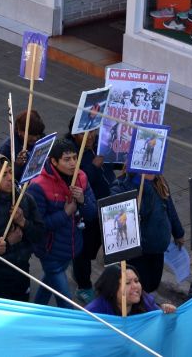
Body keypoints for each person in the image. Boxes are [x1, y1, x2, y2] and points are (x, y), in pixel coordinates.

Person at [28, 138, 97, 308]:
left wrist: (82, 200)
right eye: (67, 160)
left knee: (49, 284)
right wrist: (65, 213)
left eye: (75, 157)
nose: (73, 163)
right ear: (54, 161)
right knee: (67, 304)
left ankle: (36, 312)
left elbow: (92, 213)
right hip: (49, 251)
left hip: (72, 246)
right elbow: (38, 226)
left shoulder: (81, 177)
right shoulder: (38, 186)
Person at [0, 155, 44, 301]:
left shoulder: (25, 198)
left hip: (22, 270)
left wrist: (23, 222)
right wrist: (8, 242)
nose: (10, 177)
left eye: (11, 171)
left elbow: (40, 234)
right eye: (4, 174)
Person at [65, 118, 114, 304]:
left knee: (98, 244)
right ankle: (83, 285)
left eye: (93, 131)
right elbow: (79, 179)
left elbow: (112, 166)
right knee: (83, 251)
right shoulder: (72, 154)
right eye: (84, 133)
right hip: (86, 210)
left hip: (105, 206)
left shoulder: (97, 146)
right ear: (73, 134)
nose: (91, 136)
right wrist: (95, 164)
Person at [110, 172, 184, 294]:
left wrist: (178, 232)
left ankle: (148, 302)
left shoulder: (159, 181)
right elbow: (141, 211)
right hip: (139, 251)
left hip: (158, 248)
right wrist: (143, 186)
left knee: (154, 282)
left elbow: (169, 207)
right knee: (141, 285)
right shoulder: (122, 186)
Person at [85, 265, 176, 316]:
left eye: (136, 281)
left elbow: (159, 321)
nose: (135, 286)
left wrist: (167, 312)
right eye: (127, 283)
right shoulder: (93, 313)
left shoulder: (145, 300)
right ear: (112, 288)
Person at [0, 109, 45, 181]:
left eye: (37, 134)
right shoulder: (7, 148)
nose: (35, 138)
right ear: (19, 130)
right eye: (31, 134)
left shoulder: (41, 138)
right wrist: (17, 166)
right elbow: (2, 179)